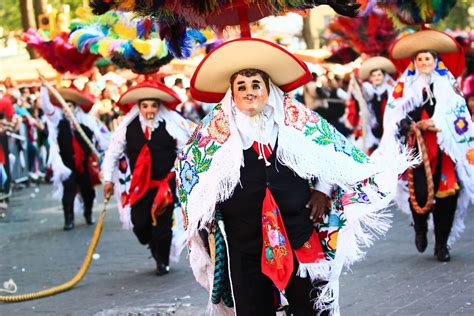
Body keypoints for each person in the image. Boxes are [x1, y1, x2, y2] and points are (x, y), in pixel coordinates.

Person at [176, 38, 412, 315]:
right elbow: (190, 176)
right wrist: (204, 213)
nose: (249, 93)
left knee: (311, 308)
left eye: (256, 85)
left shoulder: (295, 122)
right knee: (253, 309)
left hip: (297, 231)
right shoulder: (212, 135)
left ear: (268, 90)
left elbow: (333, 154)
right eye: (241, 86)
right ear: (232, 93)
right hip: (244, 241)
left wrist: (323, 191)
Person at [381, 30, 474, 262]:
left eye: (428, 59)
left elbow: (459, 115)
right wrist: (406, 125)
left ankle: (442, 244)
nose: (424, 63)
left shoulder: (448, 86)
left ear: (435, 61)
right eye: (420, 59)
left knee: (447, 195)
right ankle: (420, 227)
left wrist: (436, 122)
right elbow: (393, 116)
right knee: (419, 192)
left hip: (444, 150)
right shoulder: (405, 87)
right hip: (417, 149)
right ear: (415, 62)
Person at [102, 80, 194, 275]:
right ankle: (151, 243)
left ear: (159, 106)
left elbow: (187, 150)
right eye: (145, 106)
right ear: (139, 107)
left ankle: (162, 261)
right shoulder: (128, 128)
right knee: (139, 224)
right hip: (139, 185)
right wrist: (107, 179)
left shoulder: (171, 125)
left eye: (154, 105)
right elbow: (112, 153)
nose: (150, 110)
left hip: (165, 184)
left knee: (163, 225)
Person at [40, 85, 110, 230]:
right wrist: (44, 89)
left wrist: (77, 129)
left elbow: (92, 142)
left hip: (83, 165)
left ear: (75, 108)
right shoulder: (59, 123)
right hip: (67, 164)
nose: (67, 109)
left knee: (88, 192)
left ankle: (88, 213)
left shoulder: (85, 125)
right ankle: (69, 219)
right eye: (64, 106)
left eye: (70, 106)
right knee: (69, 192)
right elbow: (47, 107)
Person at [353, 56, 396, 152]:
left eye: (379, 75)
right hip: (374, 127)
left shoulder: (390, 90)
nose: (376, 77)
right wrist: (357, 82)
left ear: (384, 76)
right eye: (374, 75)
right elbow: (364, 93)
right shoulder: (370, 90)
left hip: (389, 125)